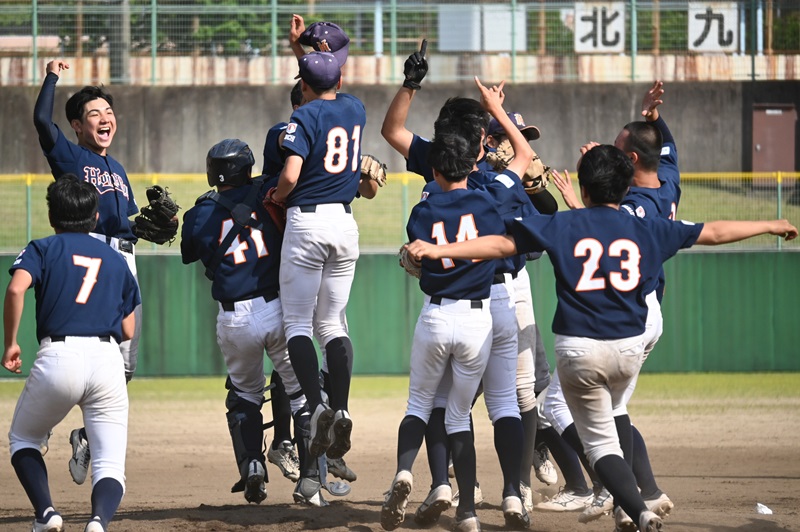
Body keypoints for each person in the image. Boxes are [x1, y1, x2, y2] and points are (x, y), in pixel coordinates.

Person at [406, 144, 797, 532]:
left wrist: (440, 248)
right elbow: (712, 231)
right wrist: (770, 224)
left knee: (597, 445)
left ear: (585, 190)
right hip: (628, 350)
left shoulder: (563, 225)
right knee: (613, 420)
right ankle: (634, 507)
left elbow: (501, 245)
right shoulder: (647, 227)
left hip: (580, 351)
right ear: (625, 189)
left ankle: (634, 508)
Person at [382, 40, 551, 519]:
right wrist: (497, 108)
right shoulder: (496, 184)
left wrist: (411, 83)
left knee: (441, 405)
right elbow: (520, 158)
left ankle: (446, 488)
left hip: (449, 300)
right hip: (501, 296)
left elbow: (391, 130)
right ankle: (515, 494)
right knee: (506, 403)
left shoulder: (436, 178)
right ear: (481, 142)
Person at [545, 80, 679, 522]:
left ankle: (615, 493)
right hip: (643, 311)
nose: (611, 150)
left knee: (593, 409)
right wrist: (653, 121)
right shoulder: (668, 181)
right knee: (615, 408)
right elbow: (666, 149)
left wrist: (583, 193)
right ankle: (644, 493)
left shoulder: (636, 208)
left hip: (628, 313)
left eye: (616, 149)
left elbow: (605, 223)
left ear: (633, 160)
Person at [3, 174, 140, 532]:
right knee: (109, 465)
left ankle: (47, 514)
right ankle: (98, 522)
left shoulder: (43, 248)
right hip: (108, 360)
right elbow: (128, 330)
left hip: (59, 356)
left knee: (24, 439)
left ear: (52, 217)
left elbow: (16, 289)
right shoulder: (116, 260)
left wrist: (11, 343)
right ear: (96, 218)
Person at [32, 59, 147, 486]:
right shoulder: (71, 155)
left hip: (124, 260)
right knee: (82, 351)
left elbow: (130, 224)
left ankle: (83, 435)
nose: (105, 118)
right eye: (94, 114)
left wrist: (153, 228)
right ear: (78, 126)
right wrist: (52, 76)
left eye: (108, 112)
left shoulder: (117, 170)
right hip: (90, 256)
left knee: (125, 363)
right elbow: (42, 120)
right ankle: (41, 421)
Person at [181, 139, 312, 505]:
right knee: (303, 394)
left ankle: (253, 465)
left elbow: (188, 252)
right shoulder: (266, 194)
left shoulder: (199, 213)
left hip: (233, 318)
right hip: (277, 309)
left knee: (244, 396)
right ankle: (310, 478)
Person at [267, 50, 369, 503]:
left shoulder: (301, 117)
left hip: (307, 221)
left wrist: (276, 193)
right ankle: (341, 405)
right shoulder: (355, 108)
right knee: (333, 323)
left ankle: (317, 405)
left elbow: (290, 175)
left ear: (303, 85)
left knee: (297, 325)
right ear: (341, 77)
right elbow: (325, 86)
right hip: (346, 223)